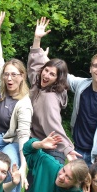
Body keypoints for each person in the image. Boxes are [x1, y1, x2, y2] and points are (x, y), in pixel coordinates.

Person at [0, 11, 33, 192]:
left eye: (15, 74)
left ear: (22, 76)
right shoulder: (0, 84)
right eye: (7, 73)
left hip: (10, 144)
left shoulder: (24, 102)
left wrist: (24, 166)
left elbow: (24, 136)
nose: (10, 77)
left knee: (7, 172)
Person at [27, 18, 75, 162]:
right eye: (46, 70)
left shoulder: (49, 97)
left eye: (52, 74)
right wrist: (37, 39)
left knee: (45, 184)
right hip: (39, 145)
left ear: (58, 79)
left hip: (51, 150)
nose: (46, 75)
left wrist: (66, 148)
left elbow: (53, 124)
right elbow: (35, 63)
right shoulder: (39, 83)